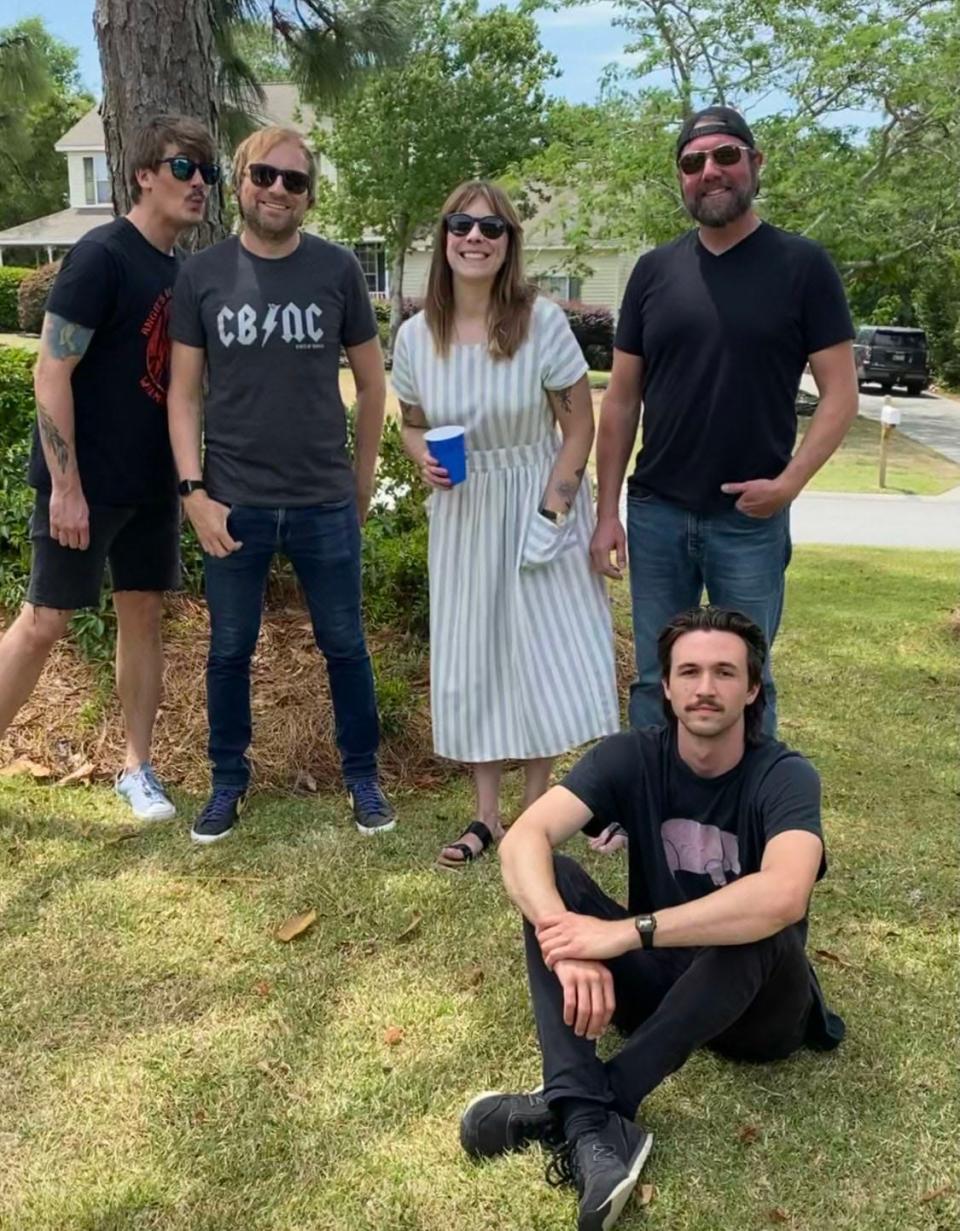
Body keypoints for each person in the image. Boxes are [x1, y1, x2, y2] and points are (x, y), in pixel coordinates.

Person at [460, 606, 843, 1231]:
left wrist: (623, 933)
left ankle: (596, 1103)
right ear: (665, 685)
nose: (705, 688)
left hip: (758, 1011)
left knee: (758, 921)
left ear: (751, 689)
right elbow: (523, 839)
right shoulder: (631, 757)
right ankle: (592, 1125)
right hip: (660, 989)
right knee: (548, 882)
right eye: (688, 671)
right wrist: (568, 943)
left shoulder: (786, 775)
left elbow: (784, 895)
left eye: (725, 672)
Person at [591, 105, 859, 735]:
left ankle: (748, 817)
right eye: (693, 162)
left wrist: (787, 485)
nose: (709, 171)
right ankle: (651, 815)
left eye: (725, 156)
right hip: (657, 511)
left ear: (754, 163)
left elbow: (840, 395)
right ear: (681, 178)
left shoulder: (803, 266)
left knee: (744, 676)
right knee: (660, 676)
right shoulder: (654, 271)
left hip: (750, 519)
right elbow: (623, 400)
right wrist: (608, 513)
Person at [168, 125, 395, 844]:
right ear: (240, 181)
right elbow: (182, 394)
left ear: (308, 197)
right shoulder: (200, 275)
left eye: (294, 182)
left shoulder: (337, 271)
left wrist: (360, 486)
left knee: (345, 645)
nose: (277, 190)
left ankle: (363, 775)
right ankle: (227, 782)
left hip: (324, 499)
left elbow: (370, 381)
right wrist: (193, 492)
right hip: (233, 501)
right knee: (229, 648)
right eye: (264, 175)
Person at [391, 180, 619, 867]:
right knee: (476, 653)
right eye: (462, 224)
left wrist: (557, 505)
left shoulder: (540, 322)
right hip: (463, 508)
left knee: (543, 652)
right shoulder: (413, 335)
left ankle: (536, 811)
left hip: (538, 497)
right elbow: (410, 424)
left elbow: (579, 424)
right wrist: (423, 458)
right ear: (444, 237)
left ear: (510, 244)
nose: (476, 238)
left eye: (493, 229)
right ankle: (485, 816)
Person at [0, 114, 217, 820]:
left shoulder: (177, 271)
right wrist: (66, 487)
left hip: (150, 483)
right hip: (84, 487)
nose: (199, 184)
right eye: (183, 168)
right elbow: (51, 371)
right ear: (143, 174)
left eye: (207, 173)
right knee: (44, 621)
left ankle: (137, 768)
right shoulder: (103, 256)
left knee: (143, 614)